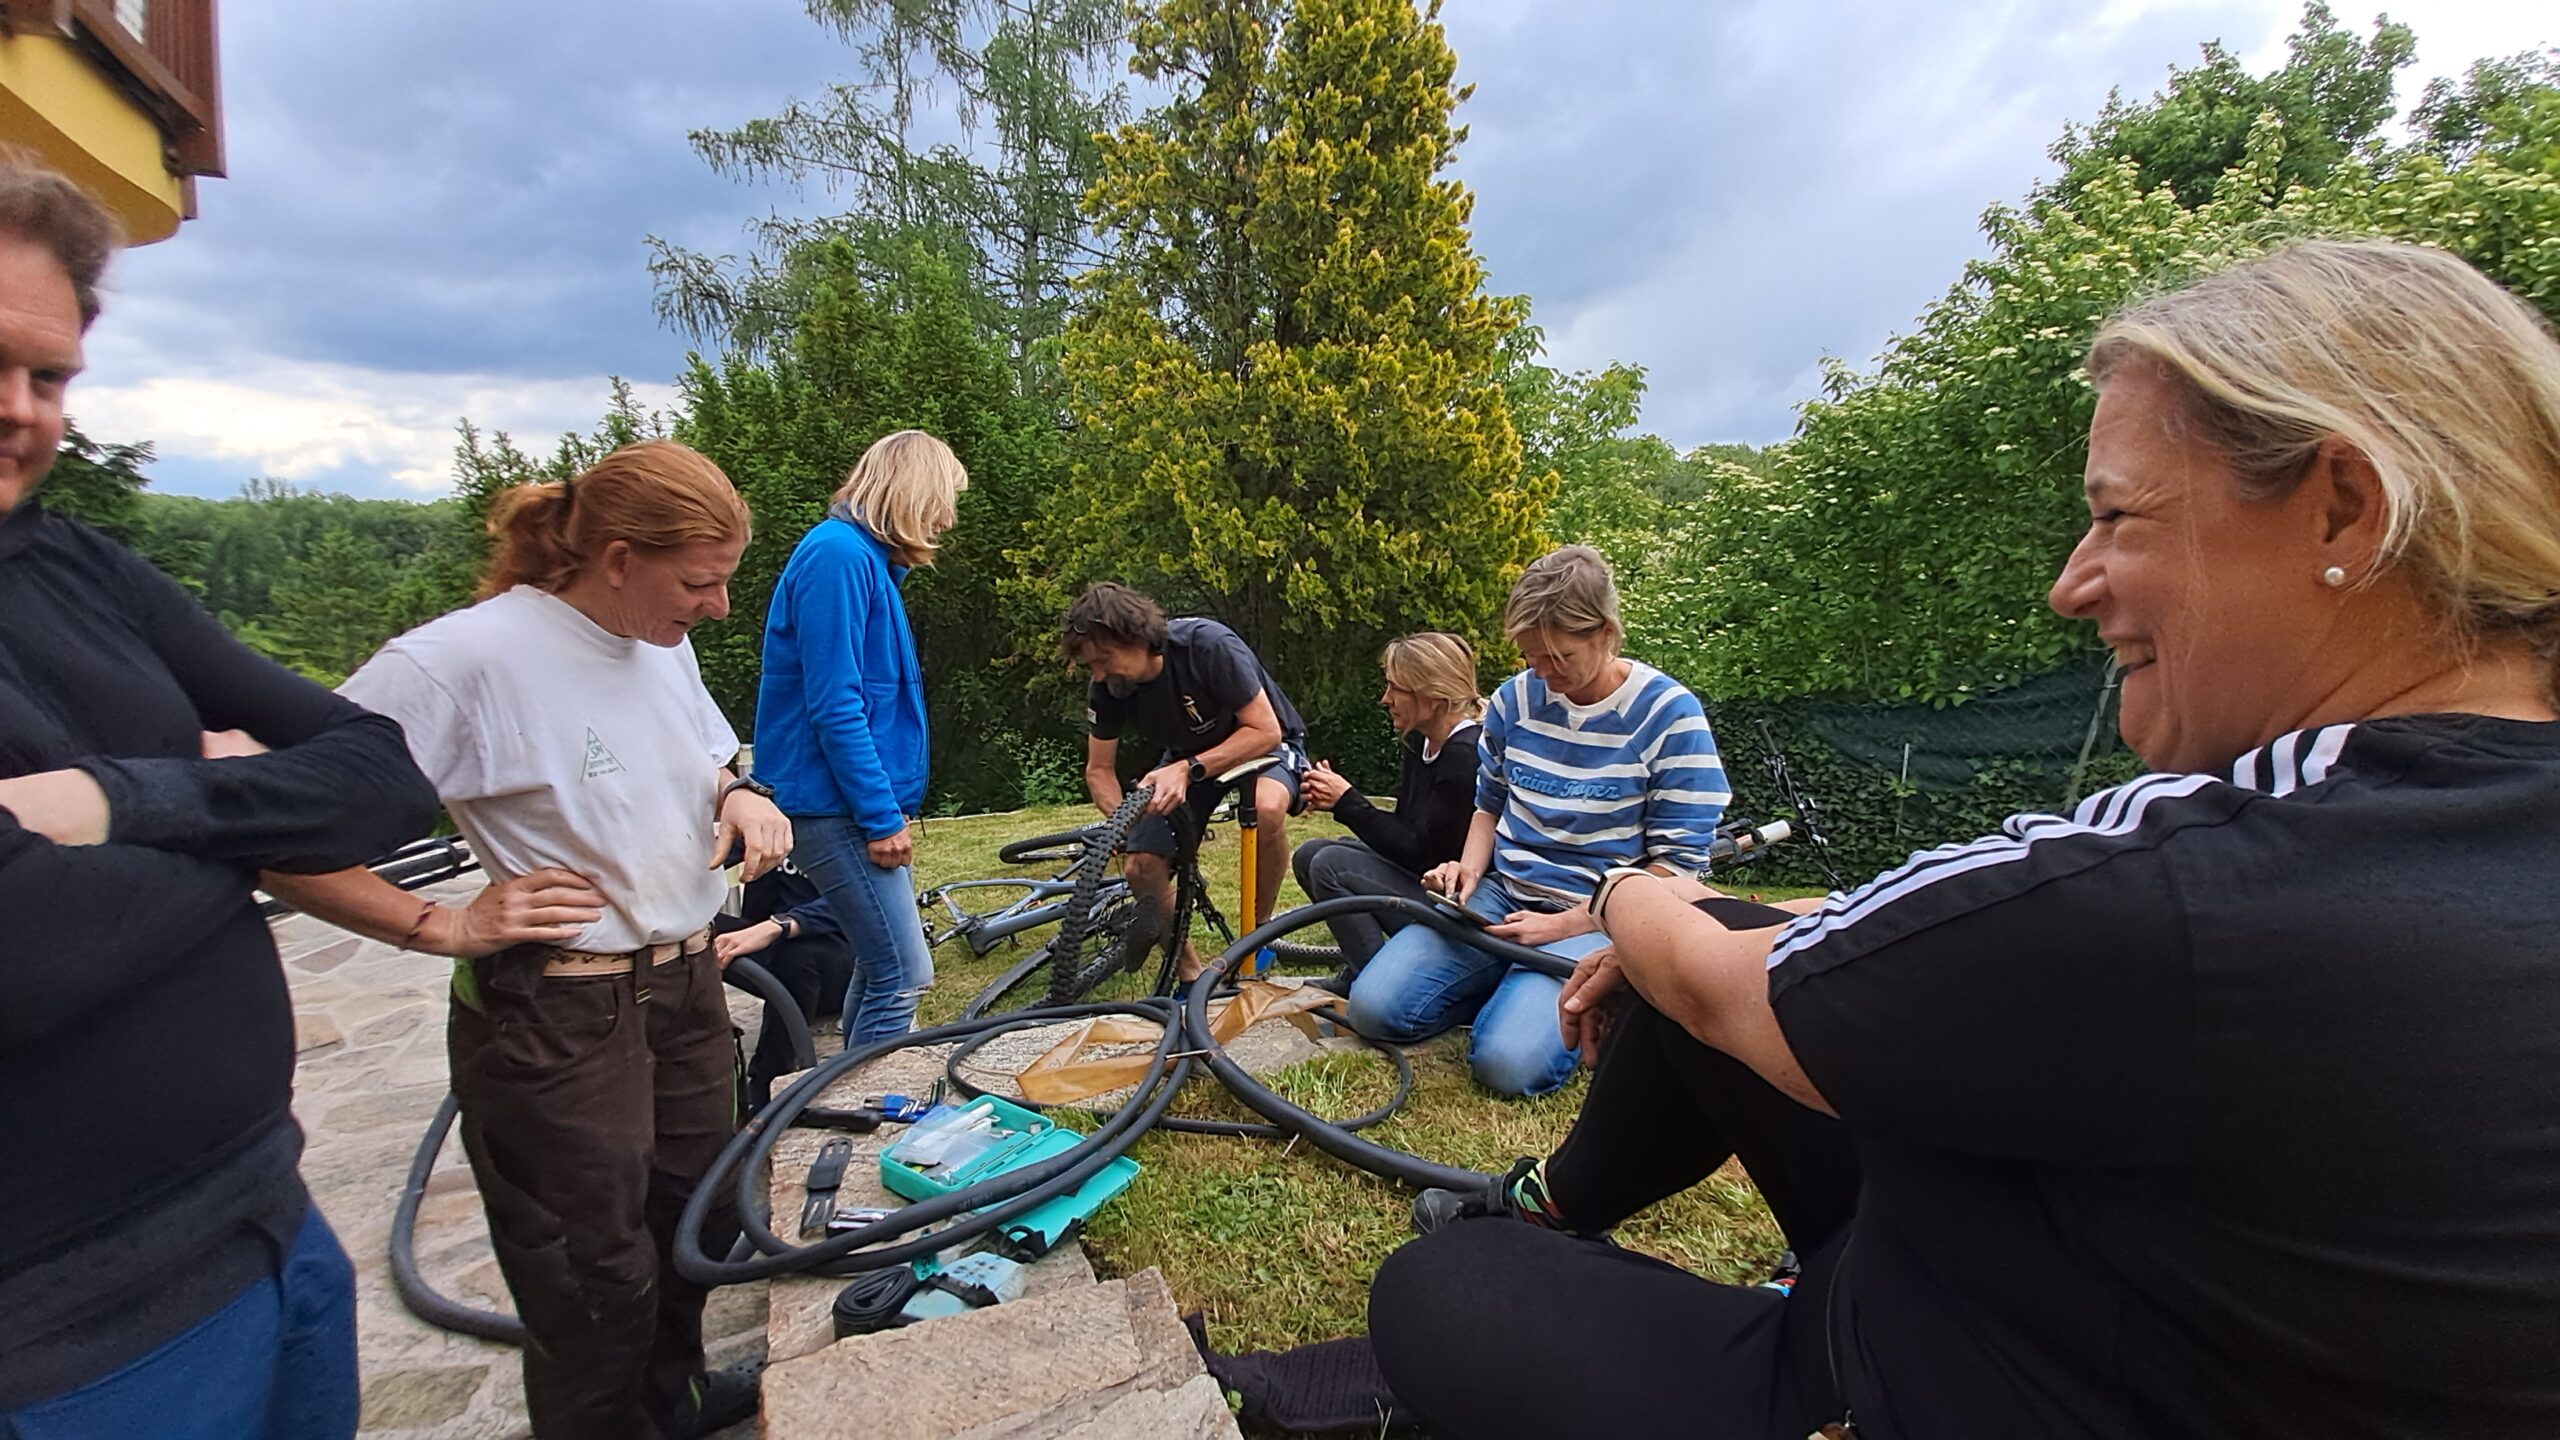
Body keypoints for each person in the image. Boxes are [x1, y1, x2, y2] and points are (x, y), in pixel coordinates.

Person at [1367, 240, 2560, 1439]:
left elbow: (1734, 972)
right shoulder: (2466, 836)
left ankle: (1650, 1290)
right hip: (2056, 1286)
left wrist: (1624, 899)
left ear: (2342, 506)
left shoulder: (2196, 881)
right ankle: (1562, 1201)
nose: (2070, 584)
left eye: (2116, 516)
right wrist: (1630, 904)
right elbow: (1902, 931)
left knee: (1439, 1287)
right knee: (1708, 941)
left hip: (1926, 1368)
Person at [0, 158, 440, 1437]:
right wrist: (251, 820)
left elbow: (384, 775)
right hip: (61, 1335)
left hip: (266, 1224)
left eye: (47, 378)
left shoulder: (77, 570)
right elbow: (26, 950)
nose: (18, 411)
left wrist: (121, 804)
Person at [265, 440, 790, 1440]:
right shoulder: (459, 663)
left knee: (694, 1220)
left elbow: (697, 758)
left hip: (682, 988)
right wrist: (438, 923)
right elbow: (276, 828)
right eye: (699, 583)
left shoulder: (659, 641)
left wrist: (739, 792)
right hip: (558, 1013)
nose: (718, 607)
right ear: (619, 558)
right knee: (592, 1277)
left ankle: (671, 1407)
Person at [1343, 546, 1728, 1097]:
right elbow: (1489, 804)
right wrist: (1468, 872)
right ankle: (1509, 986)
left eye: (1558, 656)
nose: (1543, 674)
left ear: (1606, 633)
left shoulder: (1670, 716)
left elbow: (1677, 869)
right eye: (1530, 657)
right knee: (1372, 1009)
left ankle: (1549, 995)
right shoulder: (1513, 701)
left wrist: (1565, 925)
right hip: (1502, 897)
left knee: (1507, 1066)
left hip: (1599, 918)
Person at [755, 429, 967, 1044]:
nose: (946, 519)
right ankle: (869, 1095)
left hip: (845, 802)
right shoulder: (838, 558)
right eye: (943, 501)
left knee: (878, 965)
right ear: (913, 494)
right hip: (834, 804)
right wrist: (880, 817)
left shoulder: (865, 561)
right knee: (903, 973)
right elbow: (836, 704)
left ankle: (849, 1088)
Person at [1065, 582, 1308, 980]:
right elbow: (1099, 770)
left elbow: (1266, 731)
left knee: (1266, 808)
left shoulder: (1207, 646)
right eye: (1092, 665)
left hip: (1260, 743)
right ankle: (1190, 976)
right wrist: (1122, 825)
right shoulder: (1108, 687)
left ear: (1136, 637)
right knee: (1141, 867)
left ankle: (1258, 934)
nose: (1100, 673)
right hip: (1186, 756)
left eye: (1104, 659)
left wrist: (1189, 768)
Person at [1292, 632, 1485, 993]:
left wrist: (1348, 802)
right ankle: (1358, 970)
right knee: (1310, 854)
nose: (1386, 699)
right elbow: (1406, 830)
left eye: (1396, 688)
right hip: (1420, 880)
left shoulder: (1464, 755)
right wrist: (1340, 800)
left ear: (1432, 696)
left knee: (1329, 864)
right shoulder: (1422, 742)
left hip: (1451, 905)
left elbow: (1424, 855)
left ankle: (1379, 986)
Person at [711, 862, 852, 1112]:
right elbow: (711, 856)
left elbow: (861, 900)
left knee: (795, 956)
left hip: (839, 961)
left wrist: (782, 924)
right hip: (774, 942)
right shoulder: (768, 837)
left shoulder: (862, 838)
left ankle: (766, 1086)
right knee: (693, 928)